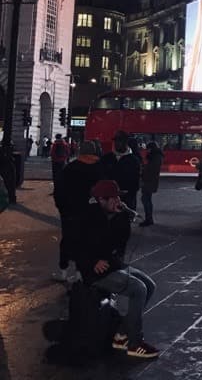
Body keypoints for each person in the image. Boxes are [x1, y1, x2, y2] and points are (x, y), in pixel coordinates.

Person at [76, 179, 158, 359]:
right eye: (112, 198)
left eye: (117, 198)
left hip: (114, 265)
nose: (117, 202)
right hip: (96, 272)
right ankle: (135, 343)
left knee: (150, 285)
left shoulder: (116, 216)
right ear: (100, 200)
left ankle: (121, 335)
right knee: (139, 289)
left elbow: (119, 244)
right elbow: (75, 245)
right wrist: (92, 262)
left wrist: (122, 217)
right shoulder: (87, 218)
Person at [52, 140, 103, 282]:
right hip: (92, 212)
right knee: (86, 242)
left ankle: (63, 270)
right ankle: (80, 273)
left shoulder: (71, 168)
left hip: (70, 212)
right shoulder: (100, 168)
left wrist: (62, 208)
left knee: (67, 240)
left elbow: (59, 190)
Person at [99, 131, 141, 211]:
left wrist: (127, 193)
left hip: (127, 200)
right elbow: (101, 176)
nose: (117, 143)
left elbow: (136, 181)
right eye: (116, 141)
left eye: (120, 141)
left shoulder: (134, 160)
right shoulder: (106, 158)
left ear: (126, 142)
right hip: (108, 199)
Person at [140, 142, 163, 226]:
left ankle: (148, 219)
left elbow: (151, 170)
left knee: (146, 200)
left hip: (149, 181)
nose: (147, 151)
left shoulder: (155, 157)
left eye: (148, 149)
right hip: (150, 181)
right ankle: (149, 218)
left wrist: (143, 170)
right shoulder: (157, 157)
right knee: (146, 199)